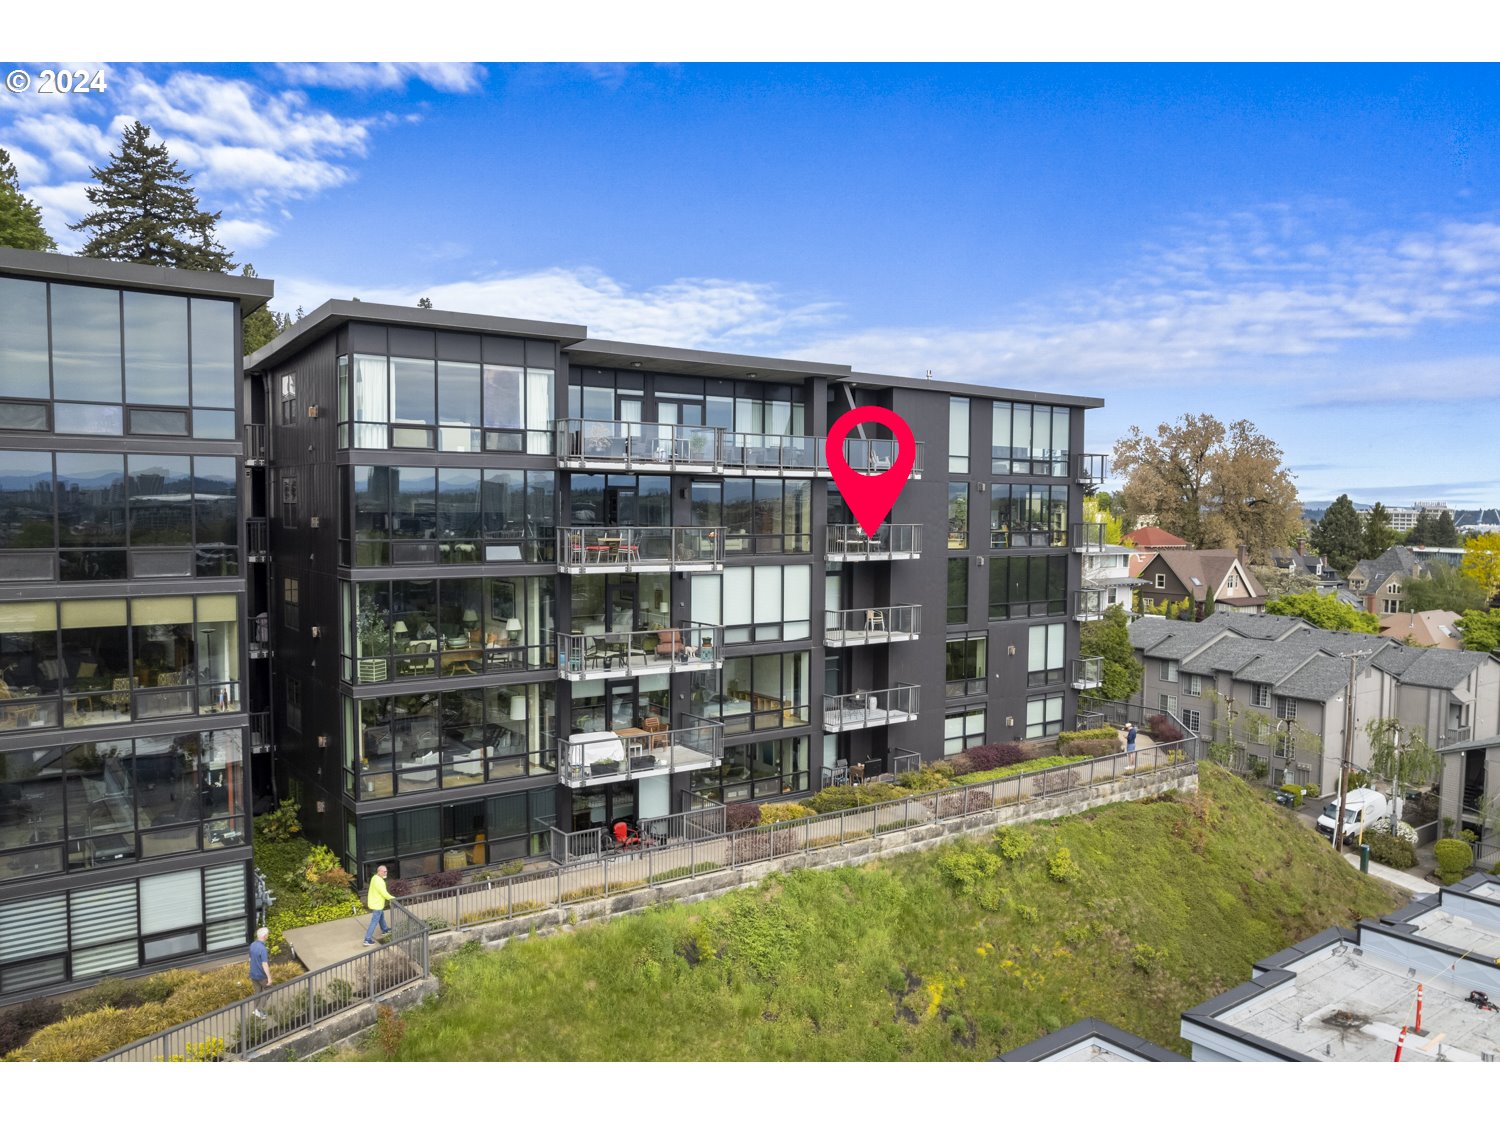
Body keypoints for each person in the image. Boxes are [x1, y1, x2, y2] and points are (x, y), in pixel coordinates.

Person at [363, 864, 395, 945]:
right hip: (377, 904)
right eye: (384, 872)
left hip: (376, 903)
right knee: (374, 922)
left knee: (381, 916)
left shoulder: (374, 877)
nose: (386, 873)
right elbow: (384, 893)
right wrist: (393, 898)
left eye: (386, 871)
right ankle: (367, 939)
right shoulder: (379, 881)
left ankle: (385, 930)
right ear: (379, 871)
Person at [248, 926, 272, 1019]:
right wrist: (269, 977)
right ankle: (259, 1009)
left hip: (253, 974)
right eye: (267, 935)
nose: (268, 936)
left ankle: (255, 1010)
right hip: (261, 975)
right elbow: (264, 964)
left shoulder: (252, 945)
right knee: (269, 989)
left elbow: (250, 959)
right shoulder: (262, 949)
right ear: (265, 936)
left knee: (257, 992)